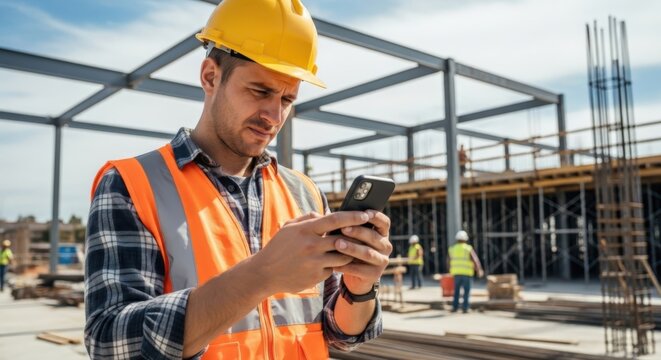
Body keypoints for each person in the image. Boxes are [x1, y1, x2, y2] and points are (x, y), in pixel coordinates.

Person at [84, 1, 392, 358]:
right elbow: (110, 342)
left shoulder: (305, 193)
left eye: (288, 98)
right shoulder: (132, 184)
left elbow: (340, 334)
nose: (274, 115)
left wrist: (360, 288)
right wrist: (262, 275)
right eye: (260, 91)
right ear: (211, 76)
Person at [448, 230, 483, 313]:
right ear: (465, 239)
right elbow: (475, 260)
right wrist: (479, 270)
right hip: (466, 273)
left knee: (456, 291)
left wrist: (450, 270)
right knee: (466, 292)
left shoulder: (452, 248)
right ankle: (465, 308)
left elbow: (448, 261)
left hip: (456, 273)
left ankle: (455, 307)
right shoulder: (468, 248)